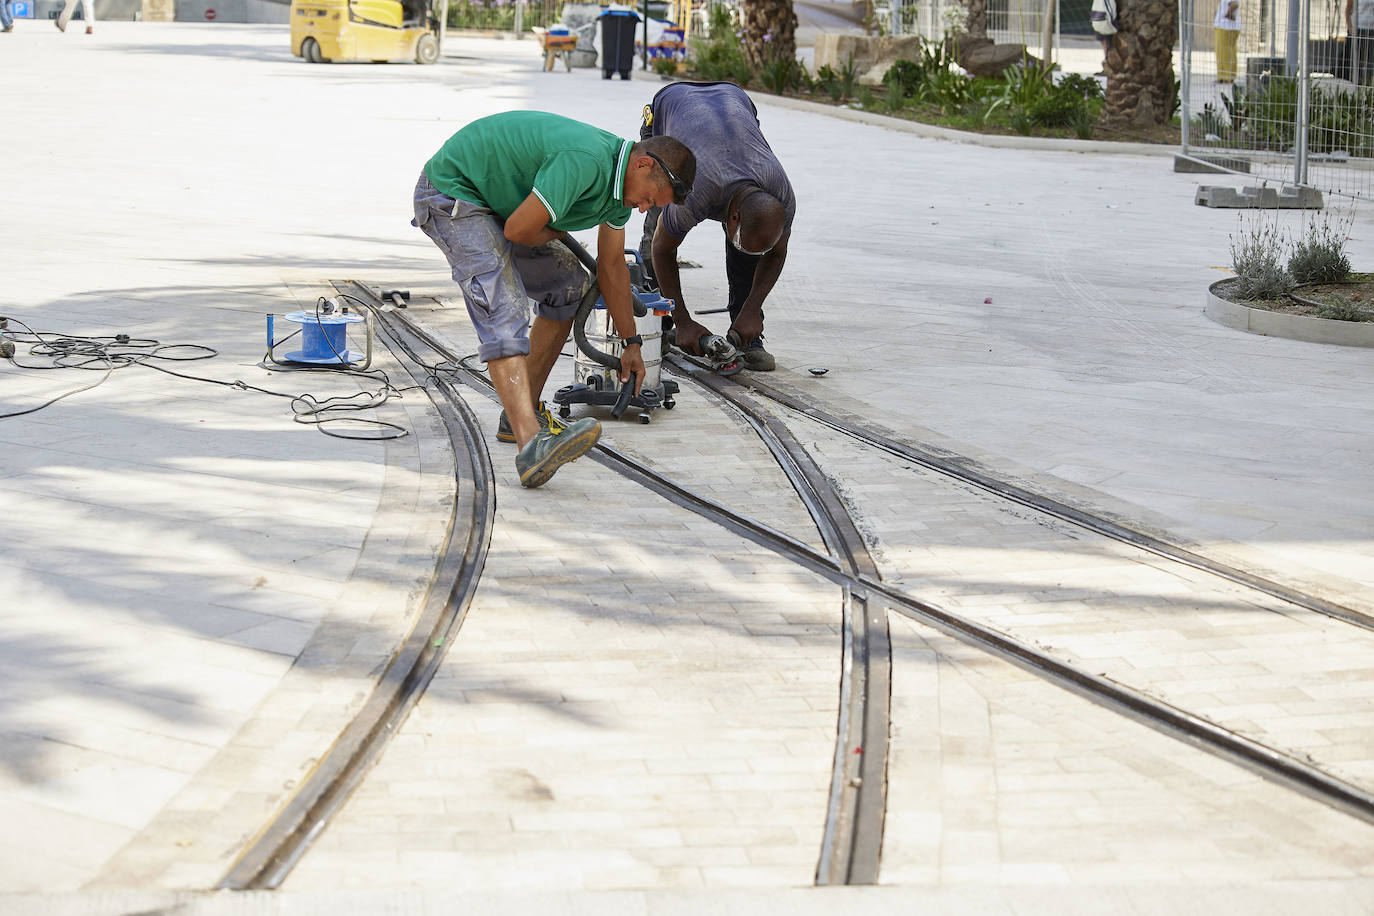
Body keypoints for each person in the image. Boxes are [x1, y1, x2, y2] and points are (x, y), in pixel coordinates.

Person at [413, 111, 695, 488]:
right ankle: (532, 446)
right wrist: (559, 225)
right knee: (504, 309)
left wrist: (631, 343)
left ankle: (519, 415)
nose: (644, 208)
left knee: (570, 287)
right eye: (648, 198)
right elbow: (519, 229)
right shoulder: (585, 161)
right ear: (643, 165)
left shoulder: (619, 189)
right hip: (454, 193)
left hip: (504, 207)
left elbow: (611, 266)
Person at [637, 81, 795, 373]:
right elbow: (663, 248)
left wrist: (751, 309)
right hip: (670, 106)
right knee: (655, 227)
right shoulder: (695, 192)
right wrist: (683, 321)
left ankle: (747, 333)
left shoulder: (782, 197)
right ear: (730, 217)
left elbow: (775, 253)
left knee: (748, 247)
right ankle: (659, 324)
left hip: (735, 101)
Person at [1214, 0, 1241, 84]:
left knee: (1224, 51)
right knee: (1228, 51)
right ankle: (1226, 75)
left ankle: (1226, 76)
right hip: (1228, 26)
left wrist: (1227, 15)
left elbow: (1234, 4)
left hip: (1226, 26)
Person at [1349, 0, 1374, 85]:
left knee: (1370, 59)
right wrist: (1351, 29)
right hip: (1358, 28)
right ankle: (1357, 83)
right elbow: (1348, 9)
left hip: (1372, 29)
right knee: (1357, 58)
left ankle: (1368, 83)